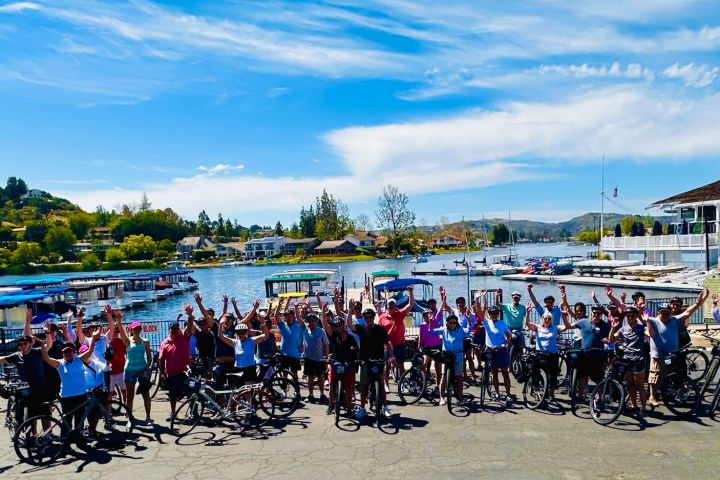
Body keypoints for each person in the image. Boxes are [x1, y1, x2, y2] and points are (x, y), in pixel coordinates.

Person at [646, 288, 708, 407]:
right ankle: (652, 396)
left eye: (667, 313)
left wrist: (698, 303)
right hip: (658, 356)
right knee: (655, 375)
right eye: (662, 313)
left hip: (671, 355)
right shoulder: (652, 320)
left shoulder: (674, 320)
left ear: (670, 313)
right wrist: (638, 309)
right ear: (658, 313)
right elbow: (637, 318)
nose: (665, 315)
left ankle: (667, 393)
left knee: (670, 374)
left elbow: (687, 313)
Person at [39, 327, 101, 434]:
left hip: (81, 395)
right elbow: (46, 359)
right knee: (66, 421)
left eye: (69, 351)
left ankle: (79, 440)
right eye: (65, 352)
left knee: (80, 419)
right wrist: (42, 343)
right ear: (62, 353)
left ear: (73, 352)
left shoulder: (79, 360)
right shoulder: (59, 363)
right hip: (67, 397)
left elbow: (90, 351)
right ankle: (66, 444)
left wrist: (94, 338)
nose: (67, 354)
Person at [347, 308, 395, 418]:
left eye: (370, 317)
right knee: (364, 385)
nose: (368, 319)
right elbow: (349, 324)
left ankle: (385, 407)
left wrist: (392, 356)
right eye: (366, 317)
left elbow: (388, 342)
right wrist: (350, 310)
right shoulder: (361, 328)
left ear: (373, 317)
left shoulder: (379, 329)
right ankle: (363, 408)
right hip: (366, 361)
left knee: (381, 385)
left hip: (378, 360)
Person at [0, 329, 52, 429]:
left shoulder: (37, 352)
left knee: (45, 413)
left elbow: (48, 345)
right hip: (27, 388)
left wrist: (48, 333)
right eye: (20, 344)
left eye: (25, 343)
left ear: (29, 344)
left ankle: (47, 435)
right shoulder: (16, 356)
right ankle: (34, 436)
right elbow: (2, 360)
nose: (23, 346)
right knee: (31, 415)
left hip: (41, 386)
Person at [606, 306, 652, 417]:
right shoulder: (623, 329)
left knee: (640, 385)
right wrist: (613, 328)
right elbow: (610, 340)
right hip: (626, 359)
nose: (630, 318)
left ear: (636, 316)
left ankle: (643, 408)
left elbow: (651, 334)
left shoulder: (641, 328)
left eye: (632, 316)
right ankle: (634, 406)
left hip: (638, 359)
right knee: (630, 384)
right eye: (628, 316)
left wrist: (647, 322)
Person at [524, 303, 571, 399]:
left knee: (553, 374)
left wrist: (565, 317)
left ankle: (552, 392)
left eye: (549, 319)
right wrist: (528, 313)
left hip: (552, 354)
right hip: (540, 354)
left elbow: (566, 327)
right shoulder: (538, 327)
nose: (547, 320)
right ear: (542, 319)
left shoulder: (555, 328)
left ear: (551, 320)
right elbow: (528, 324)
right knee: (535, 371)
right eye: (545, 318)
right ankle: (535, 387)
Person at [565, 304, 611, 398]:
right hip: (585, 354)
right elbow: (569, 326)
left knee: (598, 378)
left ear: (601, 314)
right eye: (595, 312)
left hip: (597, 355)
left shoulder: (605, 326)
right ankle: (580, 396)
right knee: (583, 376)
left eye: (599, 313)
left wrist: (608, 339)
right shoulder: (583, 321)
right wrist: (564, 317)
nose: (596, 315)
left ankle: (601, 398)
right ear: (592, 312)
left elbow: (610, 339)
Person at [321, 303, 359, 416]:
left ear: (343, 325)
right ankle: (331, 405)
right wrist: (323, 310)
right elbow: (324, 324)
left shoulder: (350, 337)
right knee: (332, 385)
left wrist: (356, 360)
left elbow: (357, 349)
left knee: (348, 387)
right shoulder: (333, 334)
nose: (338, 327)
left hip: (347, 363)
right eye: (336, 326)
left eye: (340, 325)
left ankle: (348, 406)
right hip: (335, 362)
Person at [158, 306, 193, 419]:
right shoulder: (164, 343)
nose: (175, 330)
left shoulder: (184, 337)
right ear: (169, 330)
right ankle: (173, 413)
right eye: (173, 329)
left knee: (191, 392)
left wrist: (190, 315)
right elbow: (161, 359)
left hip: (185, 372)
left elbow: (189, 327)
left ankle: (193, 411)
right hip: (172, 373)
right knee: (172, 395)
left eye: (177, 328)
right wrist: (162, 372)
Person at [379, 287, 414, 391]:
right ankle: (386, 384)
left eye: (393, 305)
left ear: (395, 306)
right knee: (387, 365)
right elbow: (379, 332)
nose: (392, 307)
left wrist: (411, 293)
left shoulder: (400, 314)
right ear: (387, 307)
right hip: (387, 345)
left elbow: (410, 304)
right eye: (390, 305)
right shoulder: (382, 318)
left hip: (399, 344)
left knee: (401, 365)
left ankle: (403, 384)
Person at [429, 314, 469, 406]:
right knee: (443, 377)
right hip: (446, 356)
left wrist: (468, 318)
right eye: (450, 323)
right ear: (447, 323)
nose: (452, 324)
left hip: (458, 356)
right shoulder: (444, 330)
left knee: (459, 377)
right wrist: (431, 321)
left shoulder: (460, 330)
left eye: (454, 323)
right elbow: (432, 331)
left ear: (456, 323)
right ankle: (442, 398)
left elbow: (469, 329)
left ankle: (460, 397)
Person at [480, 297, 513, 404]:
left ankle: (508, 395)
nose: (494, 315)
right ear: (489, 314)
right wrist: (481, 298)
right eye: (492, 313)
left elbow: (508, 337)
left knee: (505, 373)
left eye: (496, 313)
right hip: (490, 350)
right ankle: (497, 393)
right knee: (494, 373)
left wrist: (503, 345)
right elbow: (480, 312)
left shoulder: (502, 323)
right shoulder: (486, 322)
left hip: (501, 350)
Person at [216, 320, 268, 385]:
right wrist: (221, 325)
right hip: (238, 369)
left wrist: (263, 325)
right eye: (238, 333)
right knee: (238, 392)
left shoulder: (252, 341)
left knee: (247, 392)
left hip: (249, 369)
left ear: (246, 333)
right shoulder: (235, 342)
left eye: (243, 333)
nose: (241, 335)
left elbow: (265, 335)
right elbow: (221, 336)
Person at [440, 286, 476, 379]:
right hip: (457, 338)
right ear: (456, 304)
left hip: (466, 337)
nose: (460, 304)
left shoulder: (469, 313)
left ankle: (473, 375)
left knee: (469, 357)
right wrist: (442, 295)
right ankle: (463, 375)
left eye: (462, 302)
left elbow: (474, 324)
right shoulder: (454, 311)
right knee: (461, 358)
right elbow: (445, 306)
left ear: (464, 303)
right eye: (458, 303)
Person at [121, 319, 152, 424]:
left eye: (139, 328)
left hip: (142, 370)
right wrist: (119, 320)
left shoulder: (145, 341)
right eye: (135, 329)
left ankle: (148, 417)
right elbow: (121, 332)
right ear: (131, 330)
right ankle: (130, 418)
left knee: (145, 394)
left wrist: (146, 369)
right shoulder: (128, 341)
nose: (137, 330)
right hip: (130, 370)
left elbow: (149, 357)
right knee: (130, 396)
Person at [297, 311, 329, 403]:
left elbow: (325, 344)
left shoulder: (321, 331)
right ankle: (311, 395)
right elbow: (299, 319)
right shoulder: (305, 329)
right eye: (309, 321)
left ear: (316, 321)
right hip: (308, 358)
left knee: (320, 377)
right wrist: (296, 308)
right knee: (309, 377)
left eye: (313, 321)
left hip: (319, 358)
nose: (311, 322)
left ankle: (322, 394)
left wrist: (326, 356)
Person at [275, 297, 303, 383]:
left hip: (295, 354)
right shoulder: (283, 325)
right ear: (285, 318)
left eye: (291, 316)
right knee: (284, 372)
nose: (289, 318)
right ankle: (284, 388)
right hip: (285, 353)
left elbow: (304, 338)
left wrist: (303, 346)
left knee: (294, 373)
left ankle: (296, 390)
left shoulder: (298, 326)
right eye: (287, 317)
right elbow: (276, 316)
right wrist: (279, 304)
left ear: (293, 317)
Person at [104, 306, 128, 404]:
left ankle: (126, 406)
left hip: (121, 371)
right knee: (109, 393)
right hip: (110, 372)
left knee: (124, 390)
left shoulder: (122, 342)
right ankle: (109, 412)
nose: (116, 333)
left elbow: (127, 354)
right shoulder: (106, 342)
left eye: (117, 332)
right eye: (114, 331)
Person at [418, 308, 442, 385]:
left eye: (428, 315)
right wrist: (419, 347)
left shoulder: (435, 321)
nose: (426, 317)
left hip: (437, 347)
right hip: (427, 348)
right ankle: (423, 382)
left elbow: (440, 311)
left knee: (438, 367)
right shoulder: (422, 325)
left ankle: (438, 385)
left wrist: (443, 301)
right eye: (424, 316)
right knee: (423, 365)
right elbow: (420, 338)